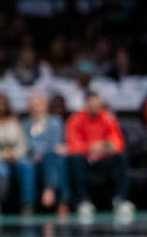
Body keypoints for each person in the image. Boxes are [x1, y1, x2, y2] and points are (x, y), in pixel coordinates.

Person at [65, 92, 135, 222]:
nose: (95, 108)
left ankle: (120, 200)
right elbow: (73, 145)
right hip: (84, 160)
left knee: (120, 158)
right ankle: (83, 201)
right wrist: (92, 147)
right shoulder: (75, 119)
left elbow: (117, 144)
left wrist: (100, 147)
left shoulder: (107, 118)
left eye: (97, 105)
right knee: (75, 159)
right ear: (85, 104)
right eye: (92, 105)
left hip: (103, 159)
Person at [23, 92, 69, 217]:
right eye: (33, 104)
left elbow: (55, 144)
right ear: (28, 106)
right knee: (26, 163)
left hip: (50, 156)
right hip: (31, 158)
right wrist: (36, 154)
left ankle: (52, 192)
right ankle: (29, 204)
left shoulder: (55, 122)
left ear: (45, 105)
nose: (36, 107)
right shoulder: (24, 125)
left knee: (55, 157)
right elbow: (25, 145)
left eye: (39, 104)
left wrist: (40, 153)